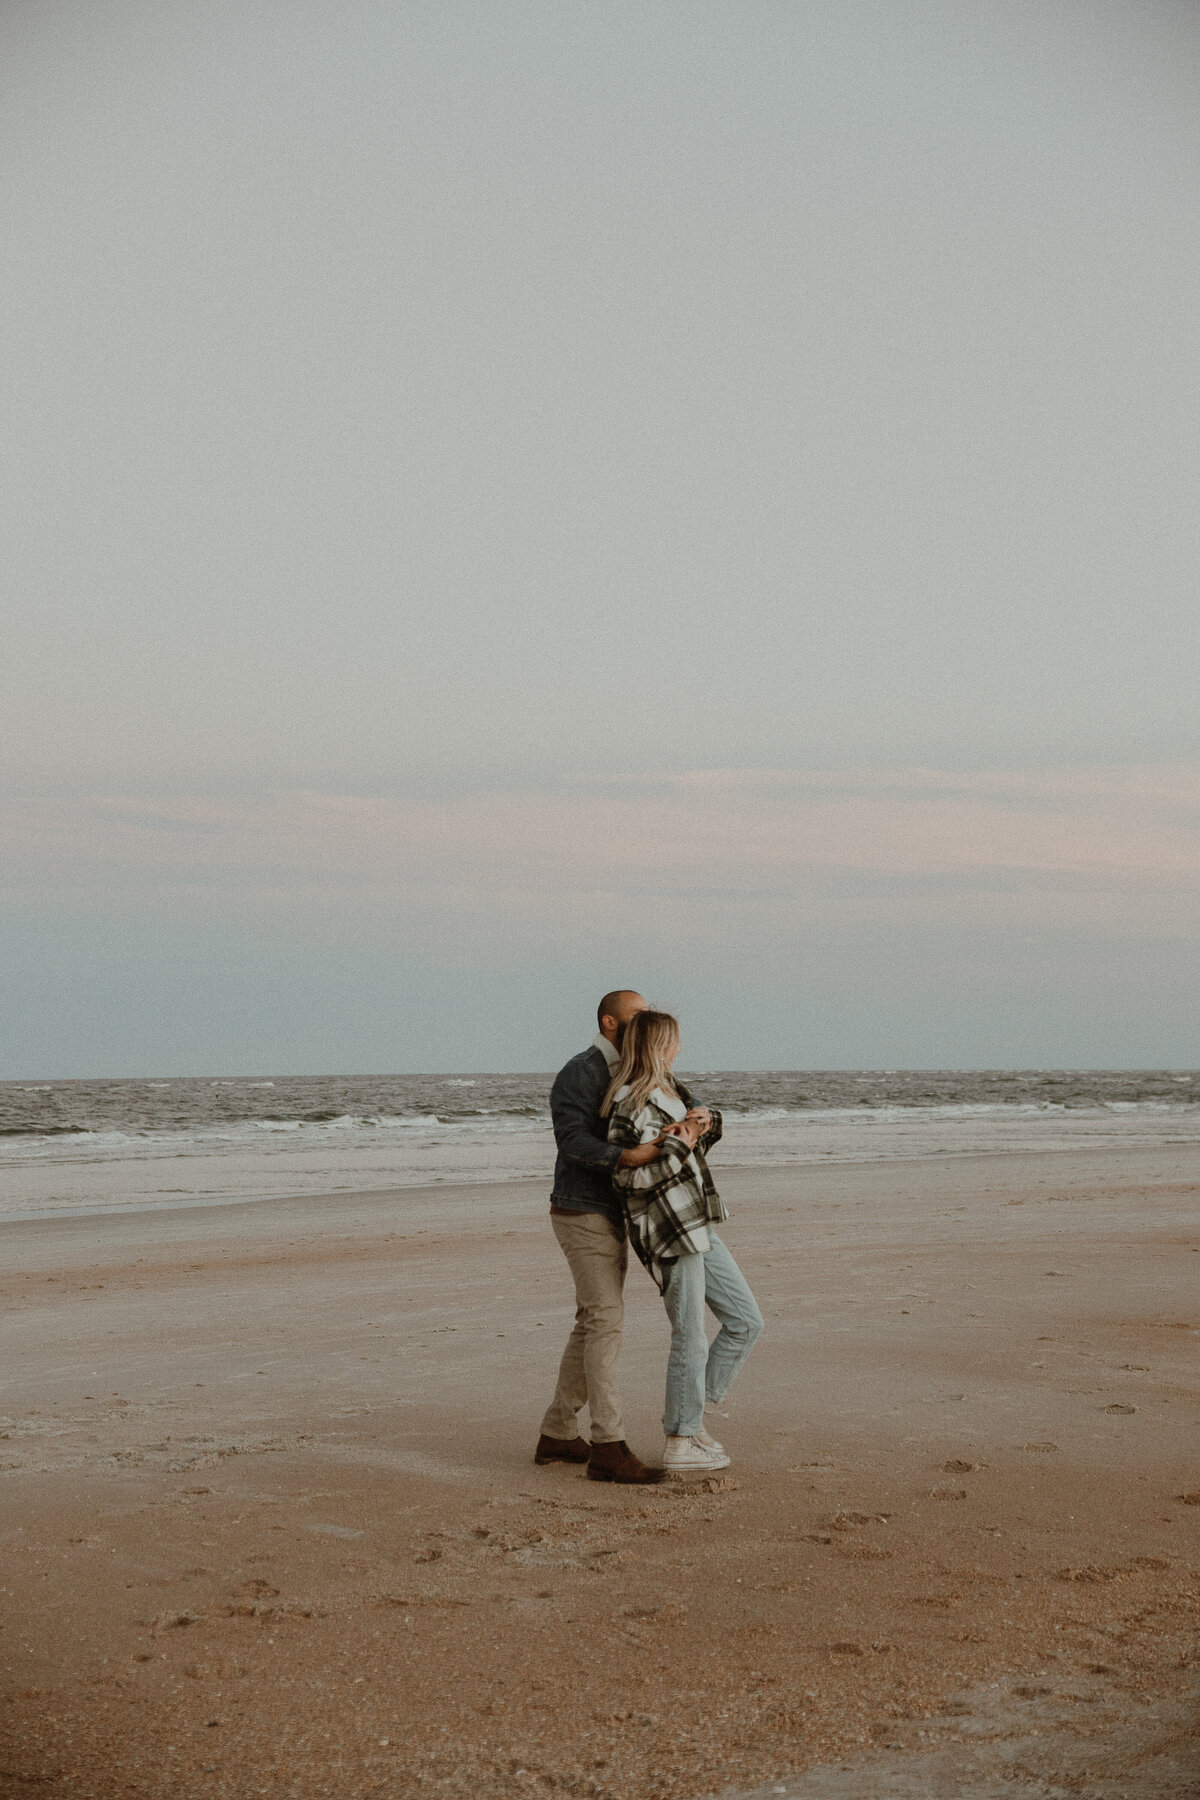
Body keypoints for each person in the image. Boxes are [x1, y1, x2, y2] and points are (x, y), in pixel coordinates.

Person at [603, 1009, 763, 1475]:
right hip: (668, 1232)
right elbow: (630, 1181)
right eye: (674, 1042)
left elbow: (687, 1159)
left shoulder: (670, 1095)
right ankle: (681, 1438)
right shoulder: (629, 1105)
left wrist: (703, 1126)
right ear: (658, 1047)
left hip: (698, 1224)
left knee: (745, 1322)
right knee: (690, 1338)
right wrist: (682, 1140)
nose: (680, 1050)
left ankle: (690, 1415)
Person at [535, 989, 669, 1485]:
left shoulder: (640, 1065)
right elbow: (570, 1140)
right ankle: (608, 1444)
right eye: (639, 1017)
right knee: (606, 1319)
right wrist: (626, 1157)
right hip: (580, 1210)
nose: (648, 1023)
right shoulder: (582, 1070)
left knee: (590, 1321)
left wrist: (702, 1118)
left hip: (617, 1212)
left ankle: (557, 1433)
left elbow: (686, 1101)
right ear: (611, 1023)